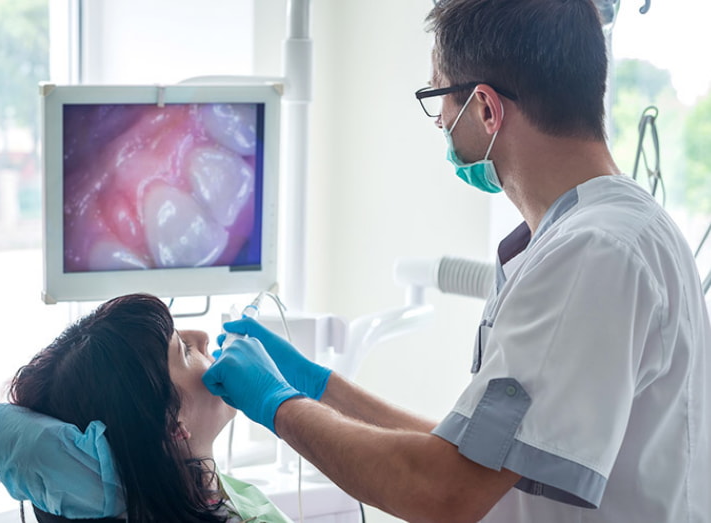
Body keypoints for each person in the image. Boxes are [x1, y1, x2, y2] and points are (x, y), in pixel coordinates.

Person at [202, 0, 711, 522]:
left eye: (438, 97)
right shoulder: (604, 235)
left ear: (487, 110)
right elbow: (476, 455)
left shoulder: (594, 254)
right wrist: (321, 387)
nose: (441, 121)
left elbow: (444, 491)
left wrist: (276, 405)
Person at [0, 293, 292, 523]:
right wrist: (288, 406)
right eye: (185, 350)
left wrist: (326, 389)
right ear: (171, 426)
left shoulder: (214, 491)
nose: (204, 336)